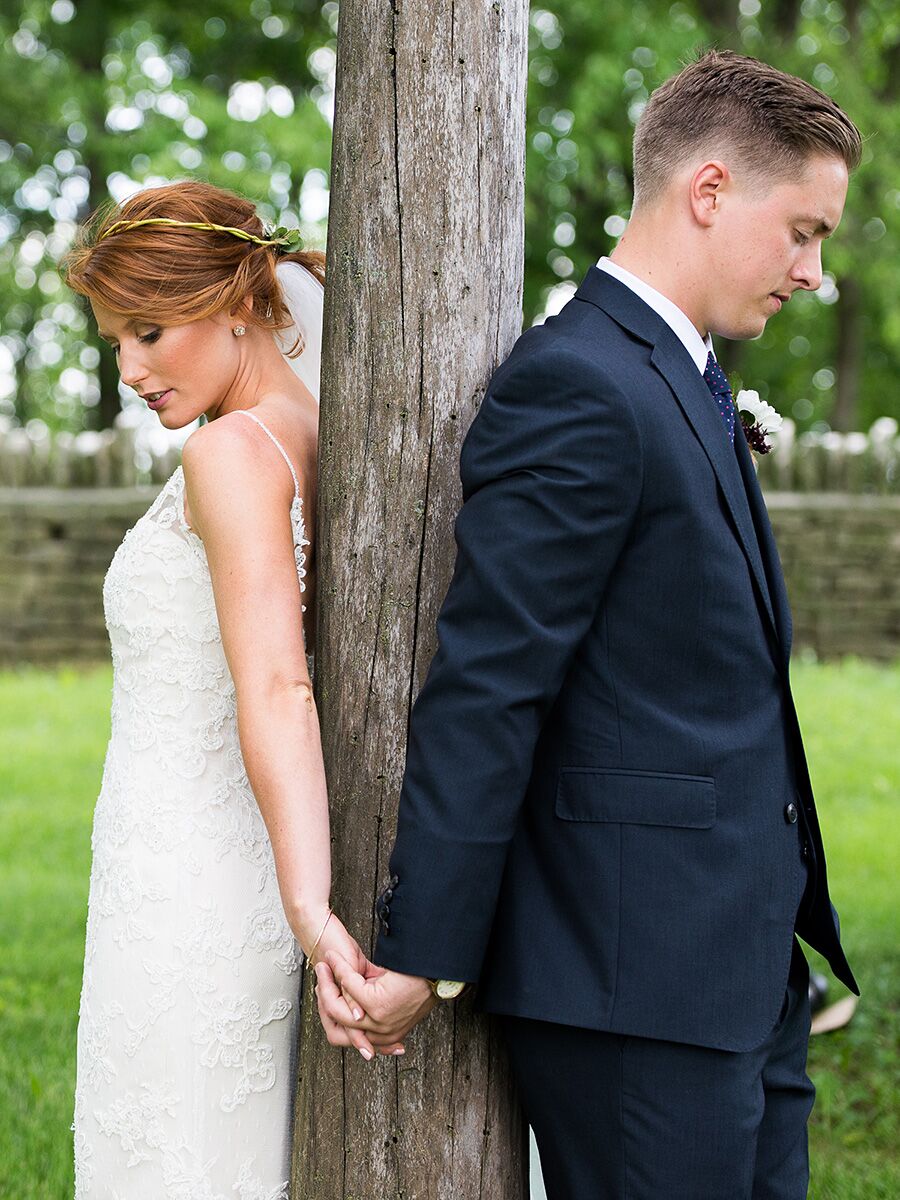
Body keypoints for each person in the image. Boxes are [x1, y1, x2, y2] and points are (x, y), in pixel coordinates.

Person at [316, 51, 863, 1198]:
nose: (814, 272)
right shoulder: (578, 384)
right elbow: (491, 680)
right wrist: (424, 949)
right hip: (637, 991)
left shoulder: (682, 373)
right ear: (708, 192)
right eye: (803, 230)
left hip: (742, 972)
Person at [65, 181, 389, 1199]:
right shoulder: (313, 431)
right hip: (195, 862)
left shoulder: (233, 454)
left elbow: (281, 688)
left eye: (151, 331)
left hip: (193, 887)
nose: (130, 369)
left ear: (240, 303)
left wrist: (307, 906)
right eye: (117, 340)